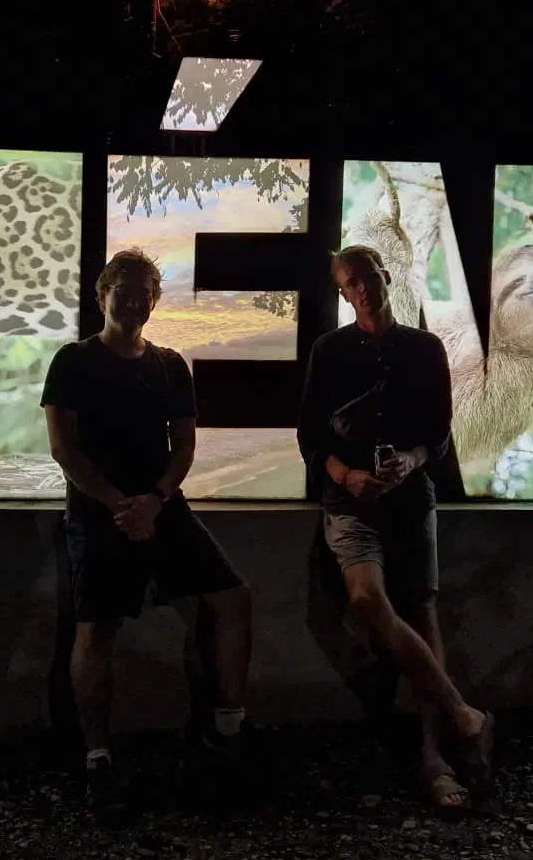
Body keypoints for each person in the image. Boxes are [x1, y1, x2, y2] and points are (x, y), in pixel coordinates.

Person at [43, 250, 256, 821]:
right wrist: (119, 505)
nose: (134, 303)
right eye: (125, 291)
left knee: (233, 596)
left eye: (145, 294)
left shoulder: (169, 366)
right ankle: (98, 761)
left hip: (161, 507)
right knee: (96, 631)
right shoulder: (73, 361)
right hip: (97, 514)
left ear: (154, 302)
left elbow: (184, 445)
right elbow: (64, 448)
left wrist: (156, 501)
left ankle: (226, 733)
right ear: (102, 294)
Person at [298, 244, 497, 811]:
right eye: (350, 284)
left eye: (367, 278)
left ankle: (432, 758)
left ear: (385, 278)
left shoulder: (424, 347)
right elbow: (310, 435)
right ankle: (466, 717)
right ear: (342, 292)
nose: (361, 289)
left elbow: (438, 433)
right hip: (349, 502)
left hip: (410, 500)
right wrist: (346, 473)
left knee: (420, 610)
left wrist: (407, 463)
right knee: (365, 600)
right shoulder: (329, 351)